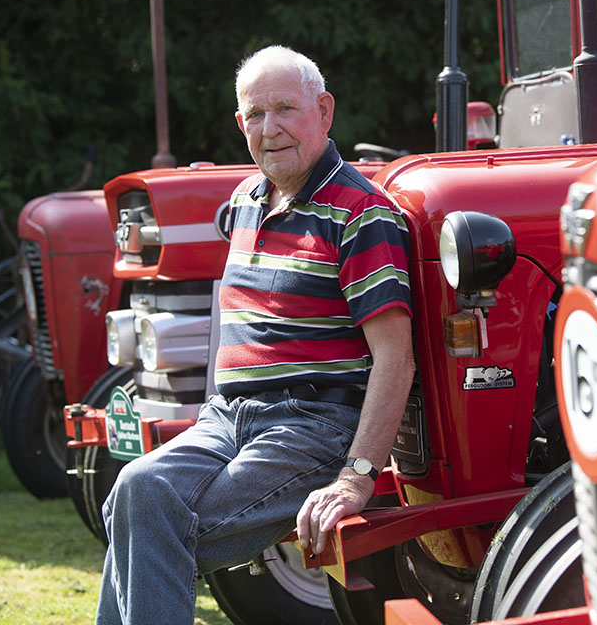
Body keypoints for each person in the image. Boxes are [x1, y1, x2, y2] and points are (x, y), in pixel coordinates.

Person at [95, 45, 415, 625]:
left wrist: (356, 478)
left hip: (312, 426)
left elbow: (396, 360)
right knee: (136, 488)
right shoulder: (246, 199)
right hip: (227, 418)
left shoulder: (362, 215)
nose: (271, 129)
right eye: (255, 115)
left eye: (286, 109)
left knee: (151, 525)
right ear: (240, 124)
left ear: (324, 111)